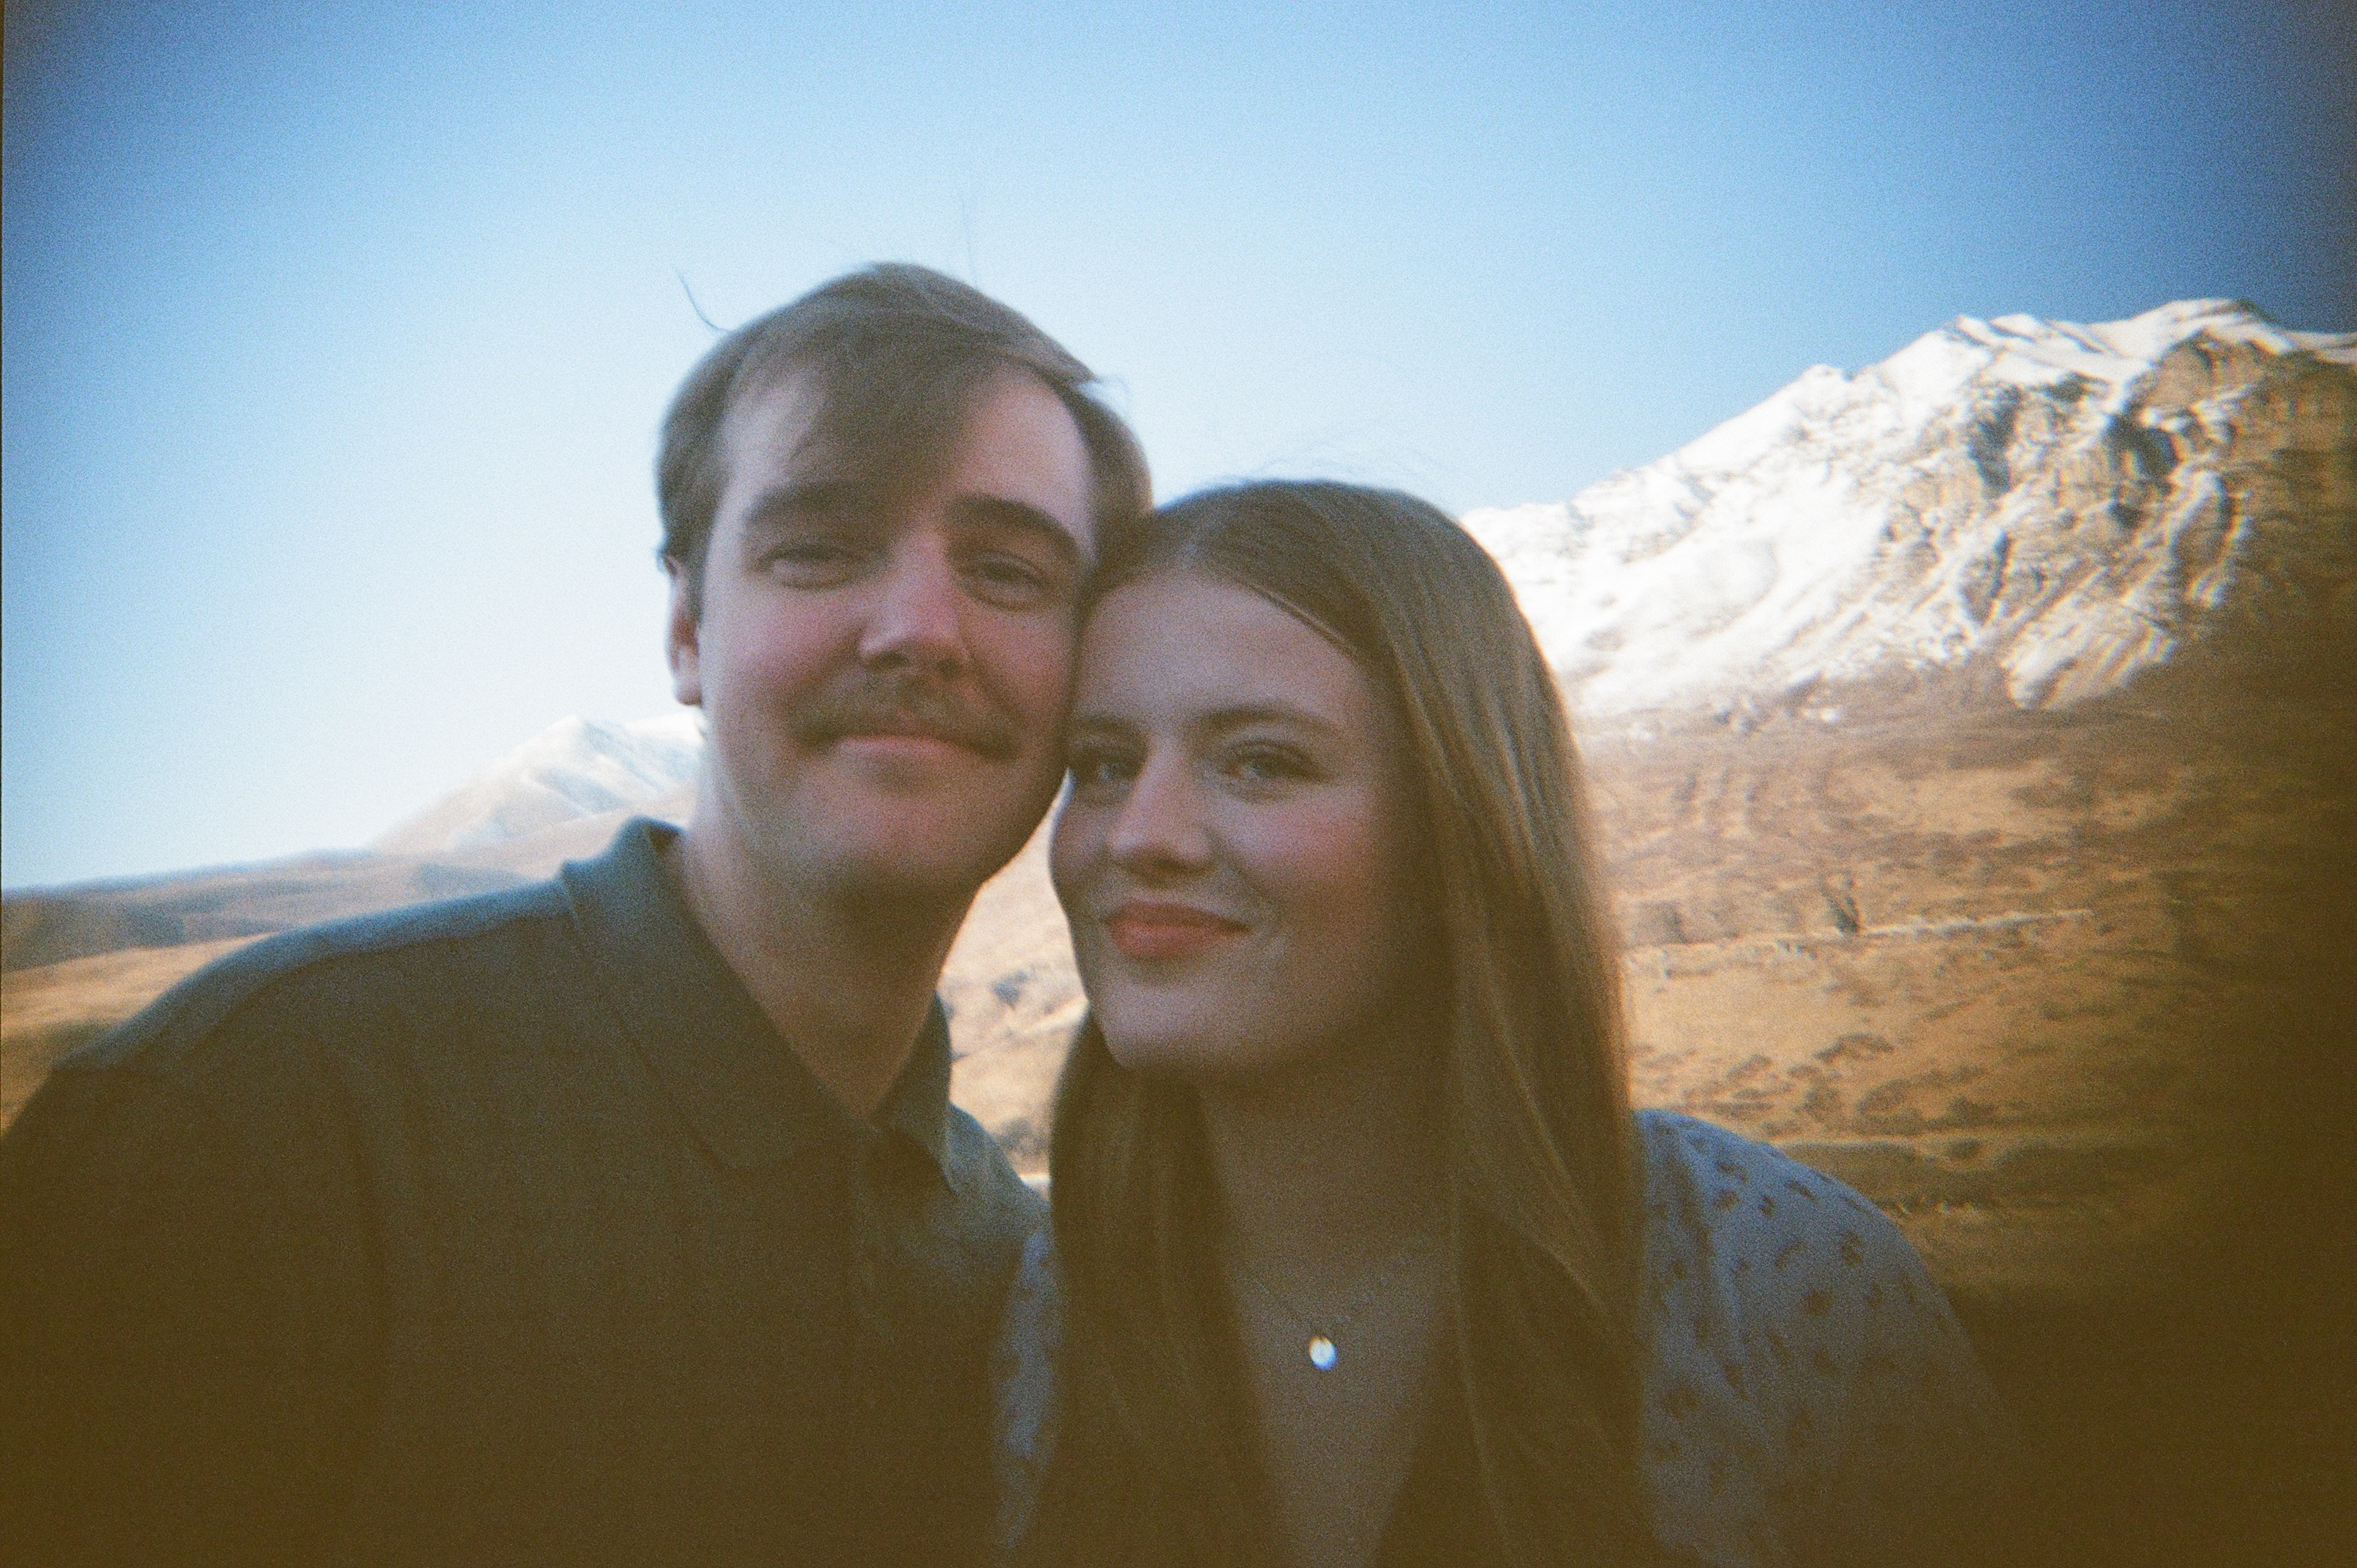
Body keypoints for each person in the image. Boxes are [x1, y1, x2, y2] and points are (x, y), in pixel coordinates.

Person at [0, 264, 1149, 1566]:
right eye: (818, 548)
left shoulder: (1018, 1273)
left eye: (1007, 569)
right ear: (685, 629)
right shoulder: (262, 1124)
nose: (918, 629)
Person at [994, 481, 2017, 1567]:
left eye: (1261, 762)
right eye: (1103, 765)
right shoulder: (1059, 1308)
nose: (1136, 835)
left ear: (1459, 828)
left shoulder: (1773, 1280)